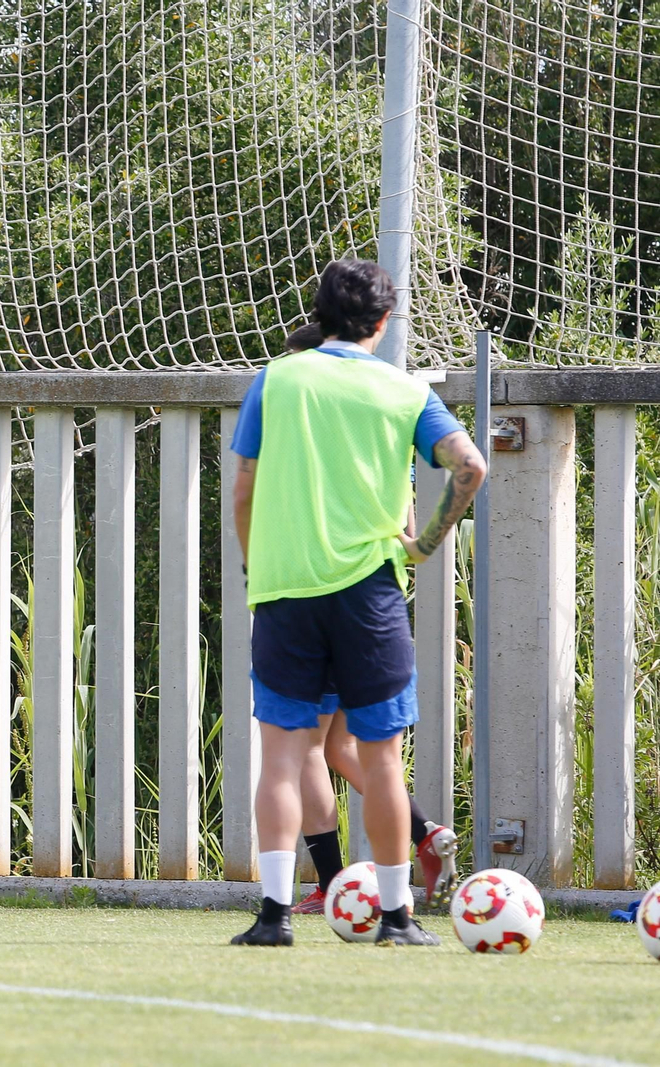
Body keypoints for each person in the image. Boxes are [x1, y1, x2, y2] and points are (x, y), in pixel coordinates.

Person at [229, 261, 487, 947]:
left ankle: (274, 916)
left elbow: (245, 487)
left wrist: (260, 560)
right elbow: (470, 465)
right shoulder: (402, 389)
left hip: (285, 589)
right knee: (379, 757)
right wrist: (426, 542)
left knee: (283, 754)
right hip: (368, 590)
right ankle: (398, 917)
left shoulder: (278, 379)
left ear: (318, 314)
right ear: (383, 320)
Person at [275, 322, 461, 918]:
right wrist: (418, 545)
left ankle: (333, 884)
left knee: (304, 746)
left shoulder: (305, 423)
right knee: (341, 746)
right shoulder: (374, 420)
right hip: (376, 592)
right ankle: (425, 831)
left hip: (316, 594)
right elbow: (415, 501)